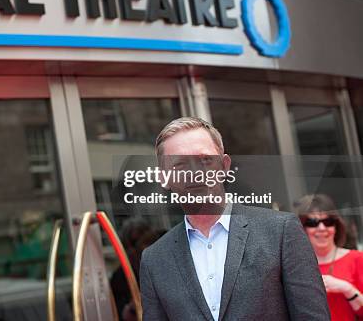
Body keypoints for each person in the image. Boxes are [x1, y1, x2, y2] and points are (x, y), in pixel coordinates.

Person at [140, 117, 330, 320]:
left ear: (224, 165)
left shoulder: (280, 232)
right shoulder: (154, 259)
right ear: (164, 178)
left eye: (205, 160)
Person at [296, 194, 363, 320]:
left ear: (336, 226)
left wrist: (347, 289)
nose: (321, 228)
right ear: (303, 228)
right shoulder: (295, 267)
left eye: (328, 222)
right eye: (313, 223)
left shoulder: (357, 259)